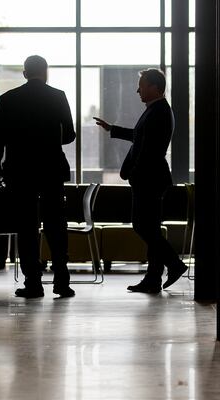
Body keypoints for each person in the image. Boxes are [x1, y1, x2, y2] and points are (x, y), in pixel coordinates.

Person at [0, 55, 76, 298]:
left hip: (20, 170)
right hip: (51, 169)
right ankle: (61, 281)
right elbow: (69, 135)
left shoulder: (7, 99)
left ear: (25, 73)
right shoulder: (58, 96)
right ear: (45, 72)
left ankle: (33, 283)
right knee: (56, 226)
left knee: (26, 227)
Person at [93, 68, 188, 293]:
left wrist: (133, 173)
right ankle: (153, 278)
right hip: (151, 178)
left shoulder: (159, 111)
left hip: (149, 179)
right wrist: (112, 129)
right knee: (151, 227)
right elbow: (140, 136)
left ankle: (174, 264)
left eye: (142, 85)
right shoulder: (156, 110)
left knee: (142, 225)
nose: (138, 90)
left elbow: (149, 150)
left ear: (154, 87)